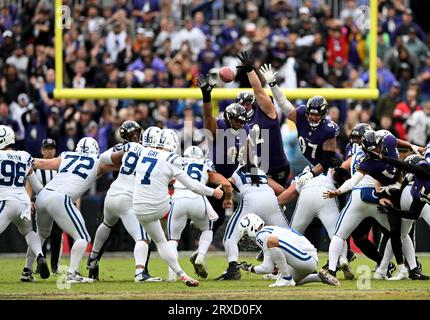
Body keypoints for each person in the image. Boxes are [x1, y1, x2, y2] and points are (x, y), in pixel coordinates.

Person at [102, 129, 224, 287]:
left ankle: (181, 275)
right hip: (159, 207)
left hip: (138, 207)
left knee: (161, 241)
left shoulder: (141, 150)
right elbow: (192, 185)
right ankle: (194, 224)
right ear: (173, 144)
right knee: (178, 198)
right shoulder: (171, 158)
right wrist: (213, 192)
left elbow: (104, 158)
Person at [322, 130, 419, 282]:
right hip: (379, 195)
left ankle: (408, 269)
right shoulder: (367, 161)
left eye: (376, 148)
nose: (375, 152)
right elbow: (354, 180)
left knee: (399, 233)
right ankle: (333, 271)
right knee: (399, 233)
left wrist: (413, 146)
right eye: (370, 150)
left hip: (379, 194)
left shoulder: (387, 139)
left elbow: (396, 141)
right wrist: (339, 191)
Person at [26, 137, 113, 283]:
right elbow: (117, 165)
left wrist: (19, 158)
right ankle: (72, 274)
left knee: (41, 235)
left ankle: (26, 271)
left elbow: (40, 163)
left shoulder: (66, 155)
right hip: (60, 198)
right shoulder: (98, 161)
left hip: (42, 195)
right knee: (83, 237)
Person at [87, 122, 161, 282]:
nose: (135, 136)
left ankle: (92, 259)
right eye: (132, 134)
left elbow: (103, 159)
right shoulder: (153, 153)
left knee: (106, 224)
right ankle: (141, 273)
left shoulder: (127, 148)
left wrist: (120, 161)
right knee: (143, 237)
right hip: (129, 198)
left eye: (136, 133)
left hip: (113, 193)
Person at [217, 142, 289, 280]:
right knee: (286, 237)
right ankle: (287, 269)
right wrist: (278, 205)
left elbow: (225, 187)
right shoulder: (261, 172)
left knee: (230, 238)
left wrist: (224, 197)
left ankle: (233, 268)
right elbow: (282, 191)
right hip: (271, 199)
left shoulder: (236, 174)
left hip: (250, 201)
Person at [260, 63, 339, 186]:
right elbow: (283, 103)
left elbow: (328, 160)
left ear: (323, 115)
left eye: (316, 115)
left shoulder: (328, 129)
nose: (312, 117)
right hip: (311, 166)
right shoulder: (302, 115)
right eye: (311, 114)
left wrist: (311, 173)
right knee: (293, 189)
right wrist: (272, 84)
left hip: (330, 170)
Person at [167, 145, 232, 281]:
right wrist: (227, 199)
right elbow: (226, 184)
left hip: (178, 198)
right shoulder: (205, 163)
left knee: (173, 240)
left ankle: (172, 274)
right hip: (198, 199)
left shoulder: (176, 161)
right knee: (207, 229)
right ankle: (200, 256)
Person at [197, 74, 248, 237]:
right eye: (235, 121)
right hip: (215, 177)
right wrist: (206, 97)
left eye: (241, 122)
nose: (238, 124)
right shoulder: (219, 125)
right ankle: (199, 219)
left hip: (233, 178)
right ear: (227, 117)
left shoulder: (245, 131)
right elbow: (207, 118)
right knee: (213, 218)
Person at [0, 125, 49, 282]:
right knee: (29, 232)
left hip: (6, 201)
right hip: (23, 202)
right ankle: (40, 256)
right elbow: (37, 187)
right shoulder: (24, 156)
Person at [235, 213, 339, 287]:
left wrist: (250, 268)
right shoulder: (269, 230)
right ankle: (318, 277)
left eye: (246, 233)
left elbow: (267, 268)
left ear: (251, 228)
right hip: (307, 259)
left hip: (306, 259)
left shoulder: (262, 235)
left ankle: (286, 279)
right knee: (290, 281)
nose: (248, 237)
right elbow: (269, 267)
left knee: (272, 242)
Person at [235, 51, 290, 186]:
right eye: (242, 105)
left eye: (248, 104)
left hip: (276, 168)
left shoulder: (266, 112)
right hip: (256, 170)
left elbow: (258, 91)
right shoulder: (237, 123)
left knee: (278, 199)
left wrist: (250, 70)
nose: (245, 107)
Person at [34, 138, 62, 275]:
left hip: (57, 205)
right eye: (47, 148)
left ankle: (55, 265)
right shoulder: (37, 165)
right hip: (42, 206)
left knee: (57, 236)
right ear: (42, 150)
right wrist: (30, 201)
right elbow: (30, 185)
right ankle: (41, 264)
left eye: (52, 148)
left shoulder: (61, 166)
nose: (49, 151)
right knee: (42, 236)